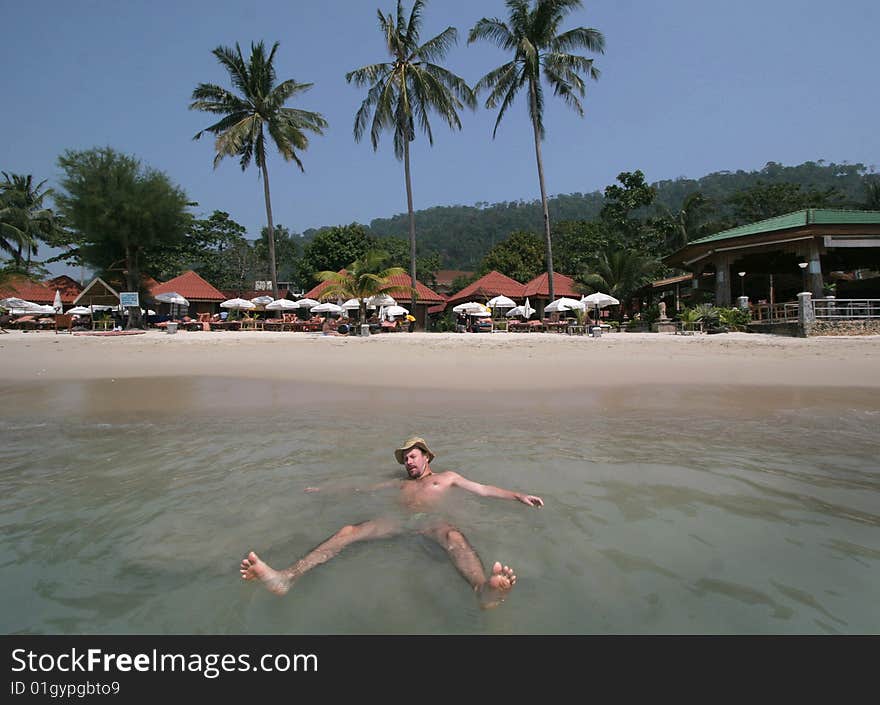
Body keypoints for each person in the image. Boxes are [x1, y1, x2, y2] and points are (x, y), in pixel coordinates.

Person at [240, 436, 543, 608]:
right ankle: (287, 578)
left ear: (427, 457)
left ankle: (483, 592)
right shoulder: (399, 484)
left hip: (432, 522)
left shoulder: (446, 478)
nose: (408, 463)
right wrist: (325, 489)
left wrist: (518, 496)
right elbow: (360, 488)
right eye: (405, 460)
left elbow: (483, 489)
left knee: (454, 537)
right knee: (348, 531)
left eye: (412, 457)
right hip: (398, 521)